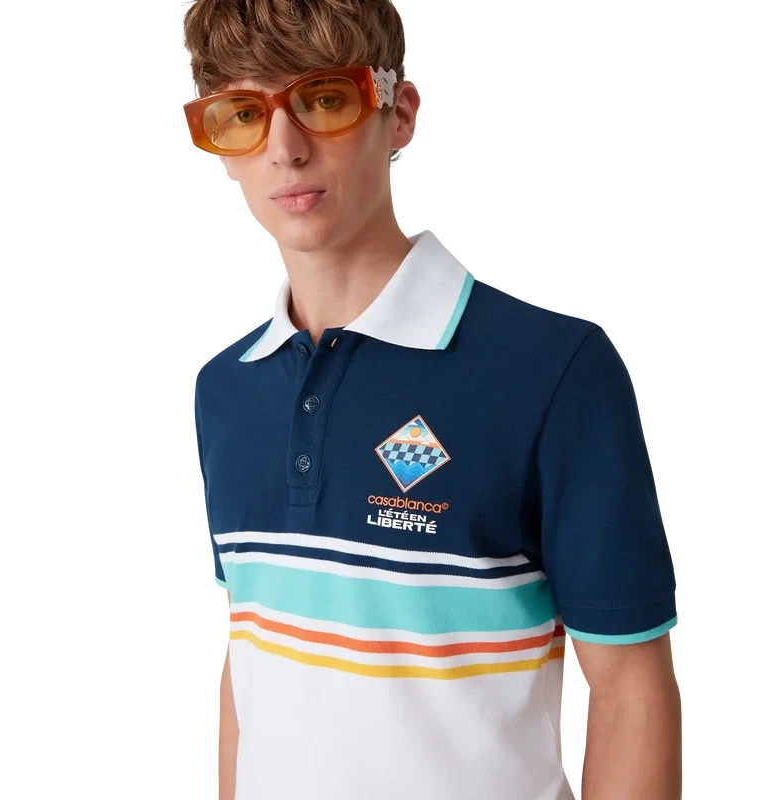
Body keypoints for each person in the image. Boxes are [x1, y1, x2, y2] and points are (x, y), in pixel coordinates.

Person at [184, 2, 683, 799]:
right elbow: (249, 670)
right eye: (244, 114)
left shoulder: (550, 370)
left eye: (323, 99)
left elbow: (630, 695)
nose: (285, 148)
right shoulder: (228, 386)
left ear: (402, 112)